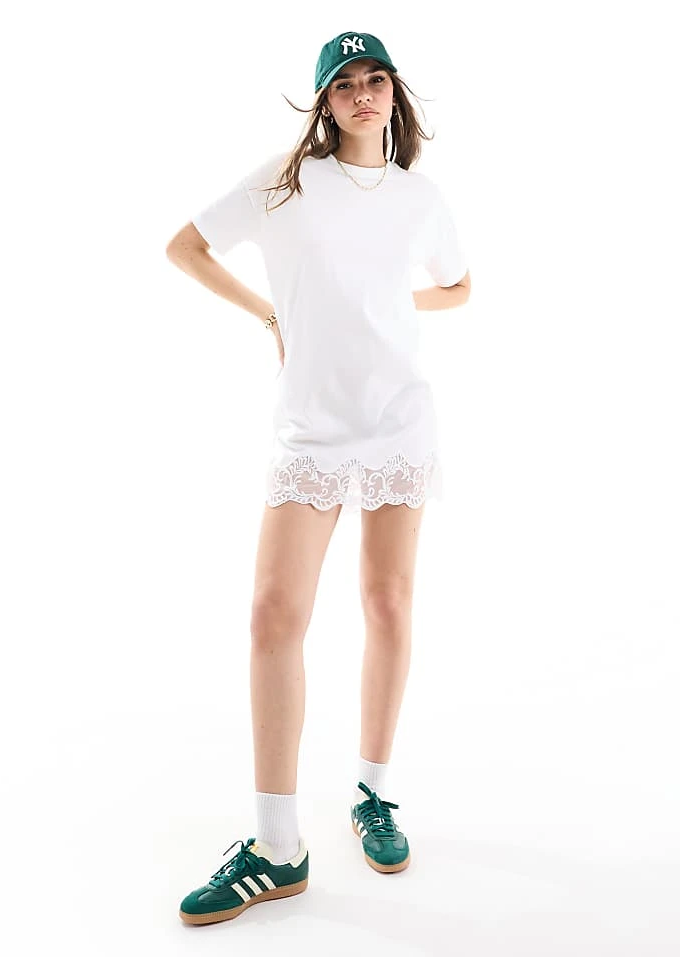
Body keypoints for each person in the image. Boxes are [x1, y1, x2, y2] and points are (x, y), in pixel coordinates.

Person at [166, 30, 470, 925]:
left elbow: (459, 287)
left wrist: (387, 304)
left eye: (376, 79)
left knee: (387, 603)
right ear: (325, 103)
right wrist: (272, 315)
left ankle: (373, 793)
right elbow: (185, 247)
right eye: (345, 84)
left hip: (397, 421)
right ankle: (276, 846)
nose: (363, 94)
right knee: (273, 614)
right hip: (312, 429)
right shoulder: (286, 181)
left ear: (394, 94)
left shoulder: (420, 197)